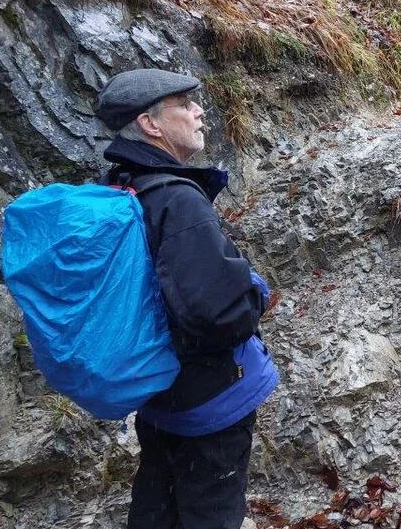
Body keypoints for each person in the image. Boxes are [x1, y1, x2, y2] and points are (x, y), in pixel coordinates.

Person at [94, 68, 279, 529]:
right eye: (185, 104)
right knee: (209, 511)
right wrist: (256, 293)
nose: (199, 112)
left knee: (157, 501)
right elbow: (218, 313)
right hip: (209, 398)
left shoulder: (120, 186)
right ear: (151, 124)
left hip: (158, 391)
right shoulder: (178, 199)